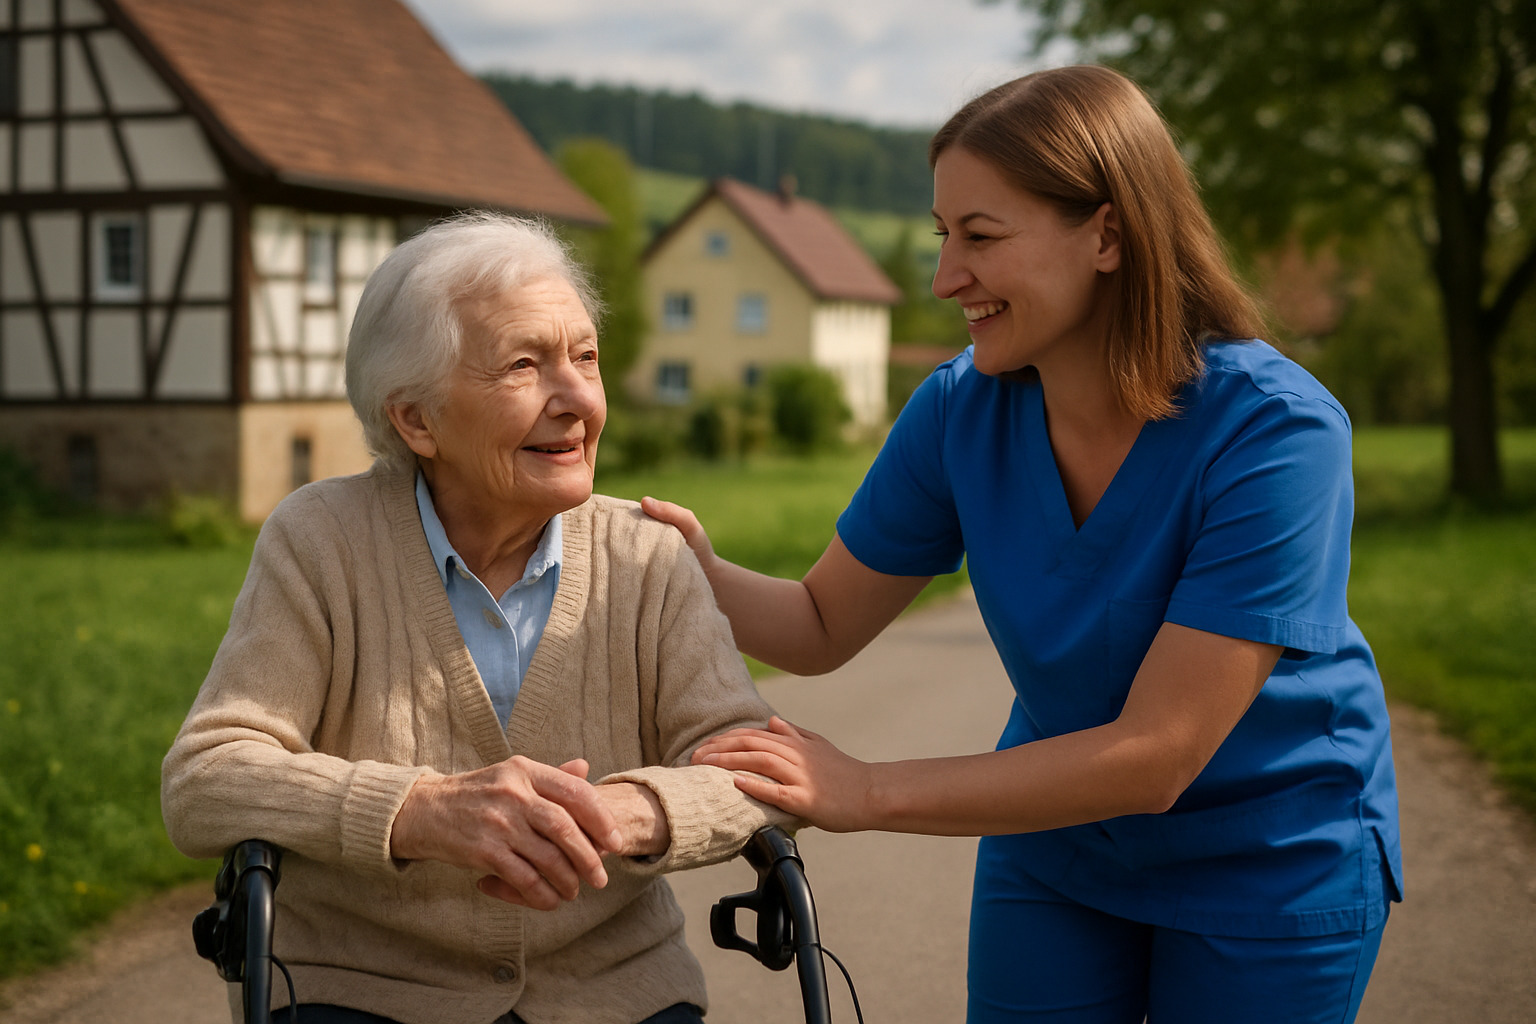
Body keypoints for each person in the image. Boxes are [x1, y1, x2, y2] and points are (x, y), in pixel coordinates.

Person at [644, 65, 1402, 1024]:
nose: (944, 279)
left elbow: (1157, 755)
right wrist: (687, 567)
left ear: (1108, 235)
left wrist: (865, 790)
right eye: (943, 236)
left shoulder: (1275, 432)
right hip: (1058, 846)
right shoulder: (961, 410)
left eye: (981, 236)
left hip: (1270, 862)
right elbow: (821, 623)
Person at [162, 212, 792, 1024]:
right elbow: (205, 780)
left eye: (586, 357)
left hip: (609, 995)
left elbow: (762, 771)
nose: (578, 399)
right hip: (359, 992)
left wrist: (628, 812)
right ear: (416, 420)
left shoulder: (648, 555)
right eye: (524, 365)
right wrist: (418, 812)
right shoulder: (321, 540)